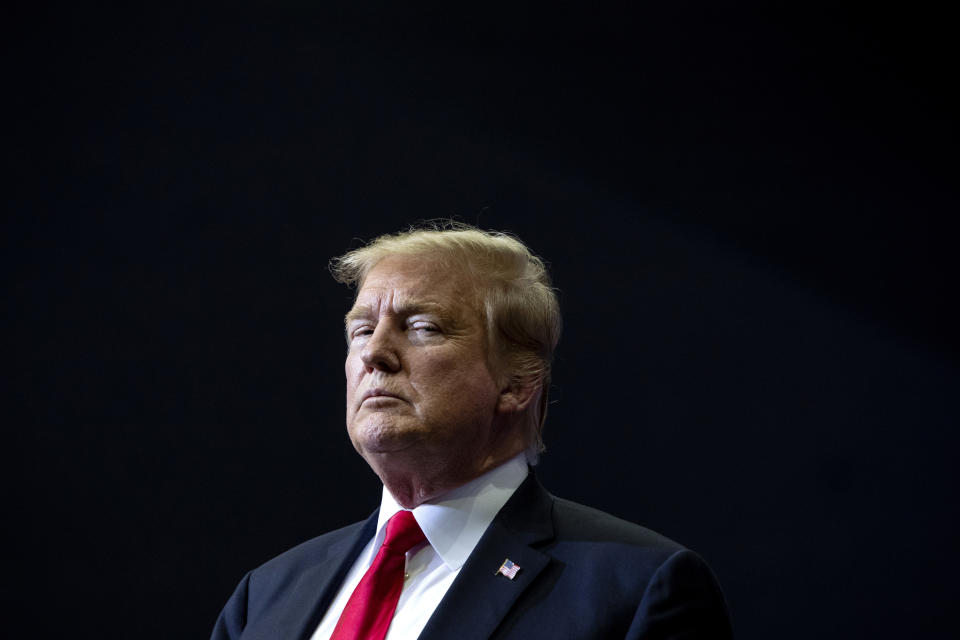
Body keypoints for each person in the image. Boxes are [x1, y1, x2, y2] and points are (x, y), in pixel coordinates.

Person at [211, 222, 733, 639]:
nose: (374, 353)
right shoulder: (266, 596)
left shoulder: (635, 590)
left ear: (518, 382)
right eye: (362, 329)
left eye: (423, 328)